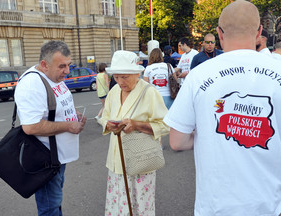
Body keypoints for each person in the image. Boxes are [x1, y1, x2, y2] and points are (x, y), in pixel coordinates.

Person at [163, 1, 281, 215]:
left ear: (219, 33)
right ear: (259, 32)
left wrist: (210, 132)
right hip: (267, 203)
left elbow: (177, 142)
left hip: (215, 204)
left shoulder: (199, 76)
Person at [14, 40, 87, 216]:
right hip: (46, 159)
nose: (67, 71)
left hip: (58, 156)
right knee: (50, 208)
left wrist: (73, 112)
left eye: (69, 65)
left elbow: (56, 103)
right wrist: (69, 125)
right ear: (44, 65)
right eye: (62, 66)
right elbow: (31, 127)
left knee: (54, 202)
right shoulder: (32, 84)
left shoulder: (53, 76)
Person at [98, 50, 169, 216]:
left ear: (137, 74)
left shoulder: (149, 92)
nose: (120, 82)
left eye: (125, 77)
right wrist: (108, 124)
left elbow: (166, 125)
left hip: (140, 160)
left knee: (140, 206)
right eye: (116, 77)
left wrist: (137, 125)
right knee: (118, 206)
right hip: (116, 161)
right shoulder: (114, 92)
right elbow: (104, 116)